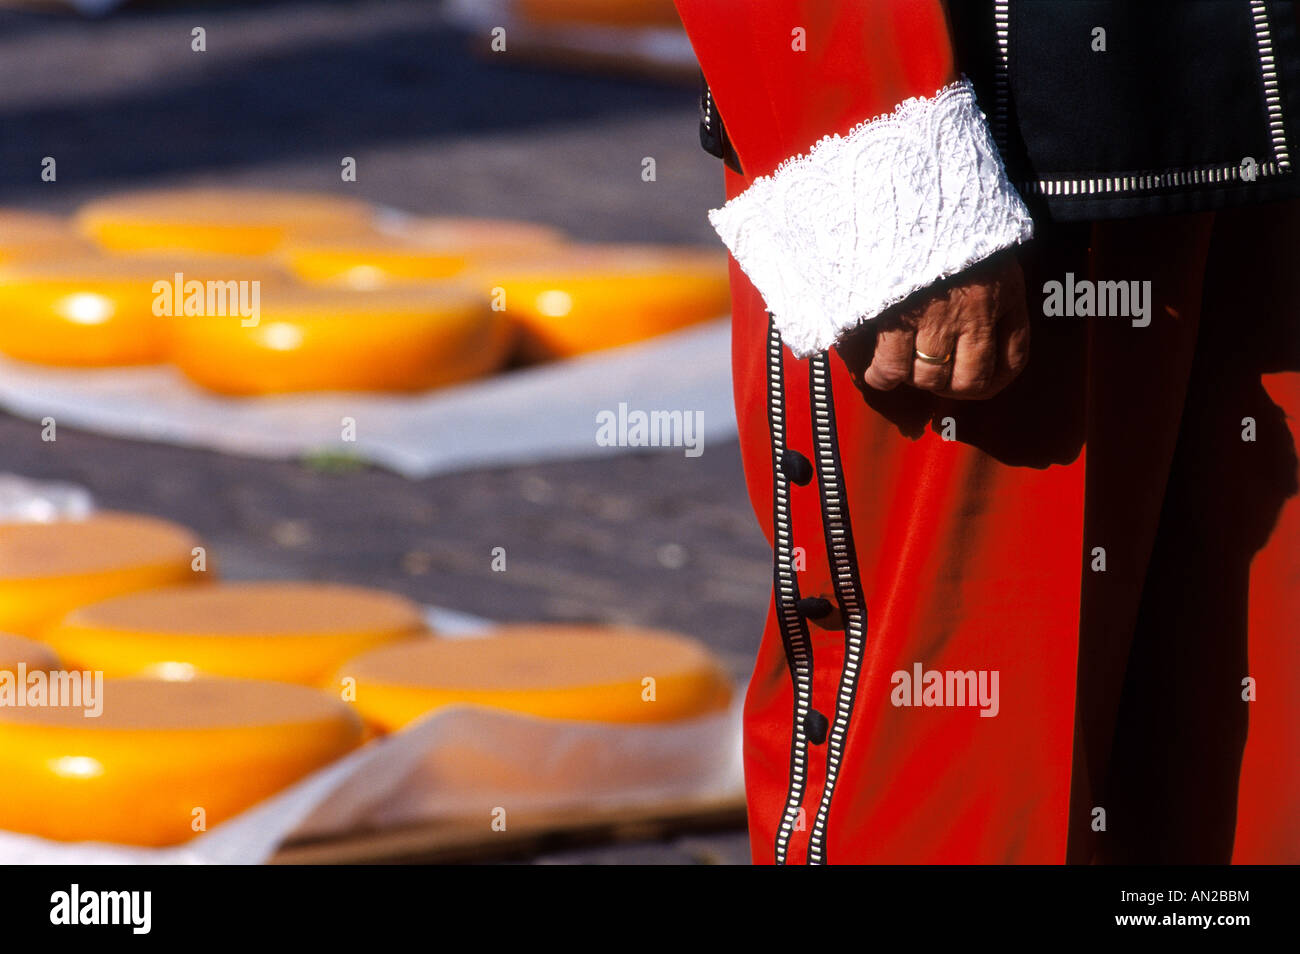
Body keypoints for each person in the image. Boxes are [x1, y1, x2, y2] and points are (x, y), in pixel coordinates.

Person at [675, 0, 1300, 863]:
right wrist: (892, 179)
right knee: (965, 783)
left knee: (1251, 778)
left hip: (1263, 120)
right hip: (1005, 155)